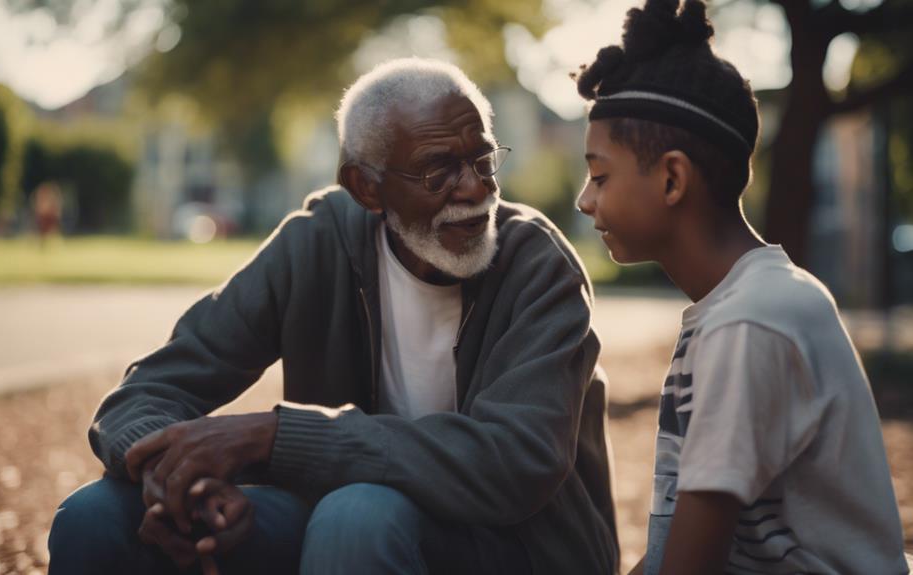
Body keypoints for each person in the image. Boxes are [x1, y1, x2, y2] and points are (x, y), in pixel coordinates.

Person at [48, 58, 619, 575]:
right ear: (366, 188)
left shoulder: (538, 267)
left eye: (483, 158)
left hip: (523, 549)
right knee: (97, 514)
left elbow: (515, 462)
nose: (474, 188)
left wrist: (277, 438)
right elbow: (141, 395)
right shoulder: (319, 243)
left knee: (358, 514)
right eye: (437, 169)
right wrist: (184, 485)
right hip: (347, 531)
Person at [573, 1, 908, 574]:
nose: (585, 199)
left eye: (600, 175)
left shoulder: (750, 323)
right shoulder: (749, 302)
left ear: (673, 178)